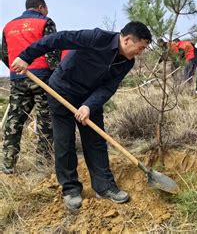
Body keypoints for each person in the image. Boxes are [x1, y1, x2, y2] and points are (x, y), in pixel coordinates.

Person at [10, 22, 152, 211]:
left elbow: (108, 87)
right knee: (64, 140)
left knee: (96, 140)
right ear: (127, 40)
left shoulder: (127, 61)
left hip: (89, 98)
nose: (140, 52)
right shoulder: (96, 38)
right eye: (140, 47)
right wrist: (26, 56)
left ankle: (104, 187)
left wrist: (88, 105)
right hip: (61, 90)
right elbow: (57, 39)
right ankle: (71, 189)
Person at [0, 0, 59, 174]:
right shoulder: (45, 22)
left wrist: (15, 69)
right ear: (41, 7)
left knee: (15, 120)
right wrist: (56, 76)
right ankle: (43, 163)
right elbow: (52, 52)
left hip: (18, 78)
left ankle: (8, 164)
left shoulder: (8, 26)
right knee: (45, 121)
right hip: (42, 80)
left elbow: (4, 54)